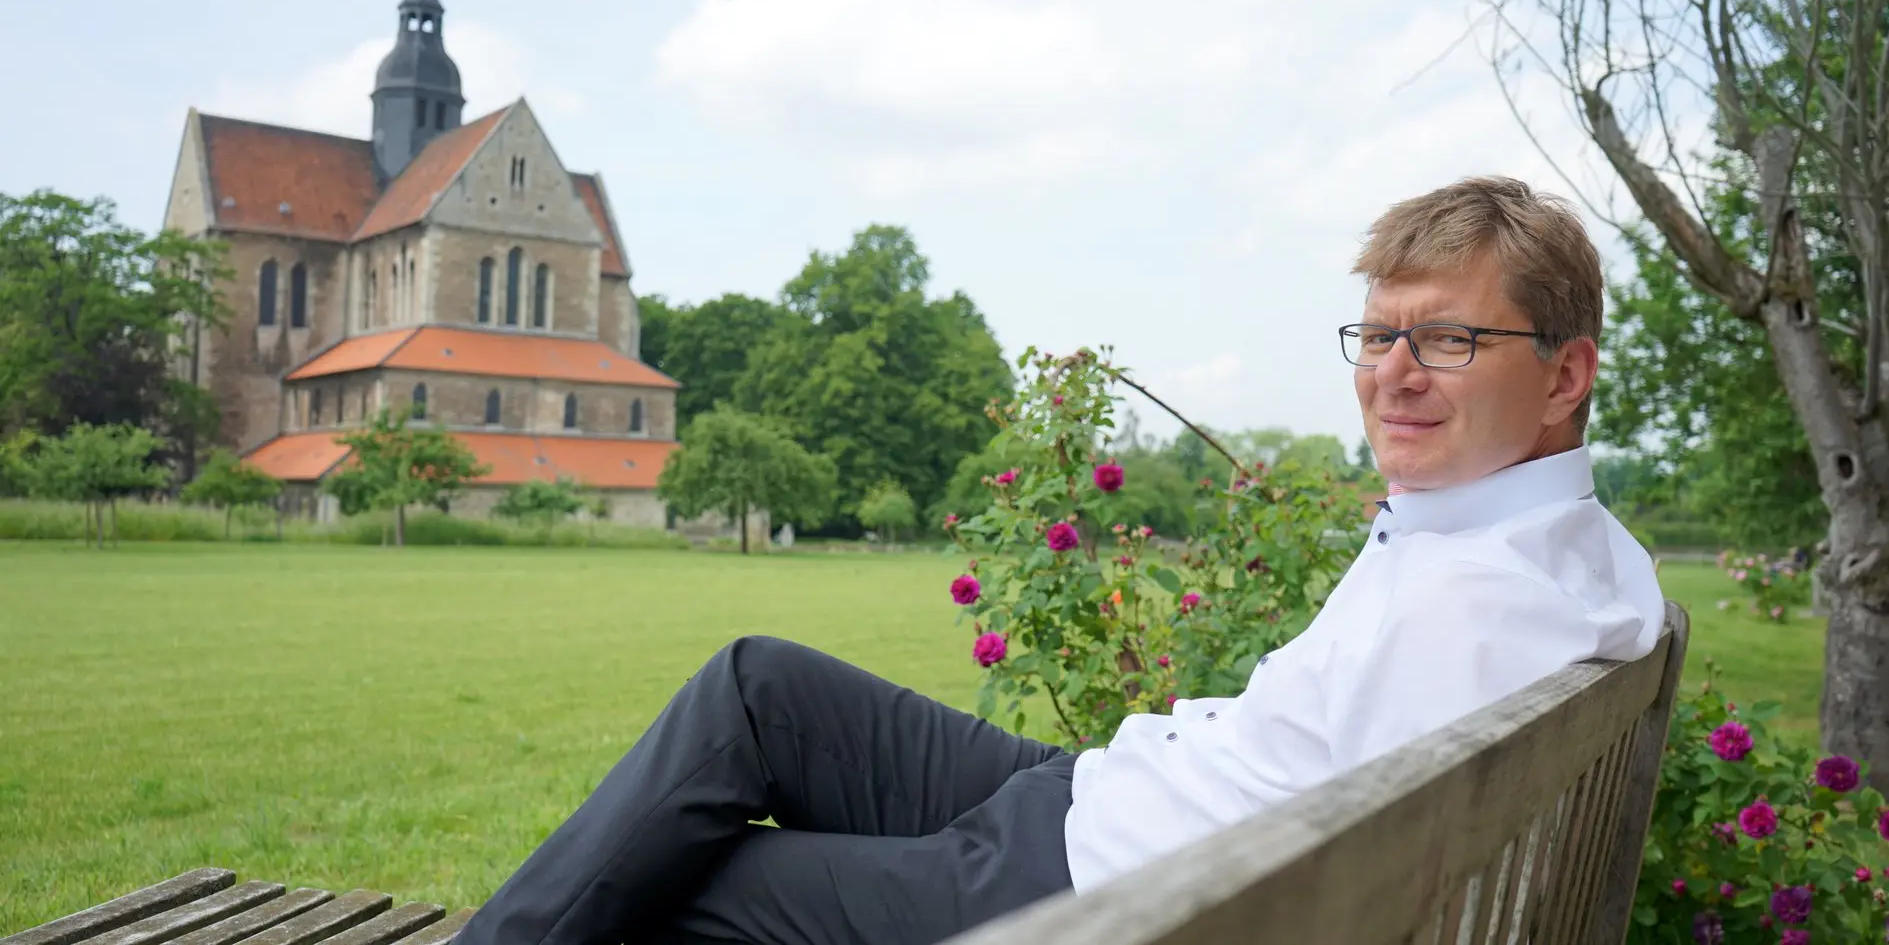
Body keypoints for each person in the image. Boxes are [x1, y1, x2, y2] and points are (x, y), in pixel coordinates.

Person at [454, 176, 1665, 945]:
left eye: (1446, 339)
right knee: (758, 684)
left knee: (697, 888)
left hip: (1104, 884)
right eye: (1377, 334)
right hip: (1107, 793)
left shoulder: (1483, 600)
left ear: (1565, 373)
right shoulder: (1551, 551)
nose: (1391, 373)